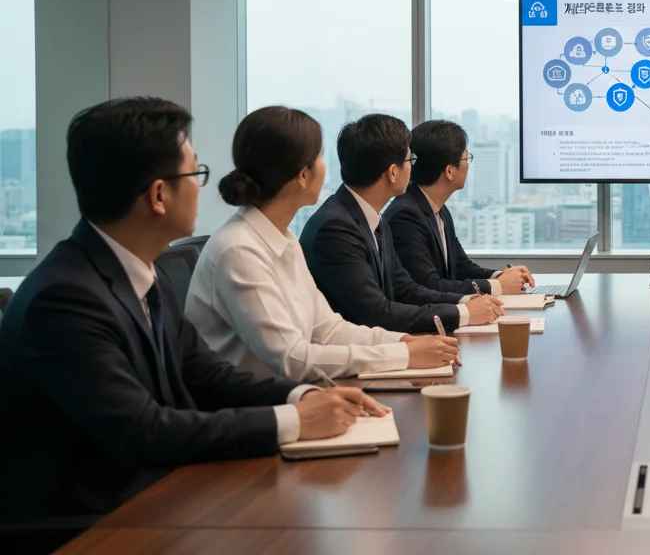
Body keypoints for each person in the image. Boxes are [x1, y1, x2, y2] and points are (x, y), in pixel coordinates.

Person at [0, 98, 384, 545]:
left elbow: (207, 375)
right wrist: (295, 420)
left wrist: (305, 393)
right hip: (96, 527)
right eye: (194, 174)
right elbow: (144, 432)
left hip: (162, 495)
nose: (204, 187)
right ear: (158, 195)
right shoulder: (64, 298)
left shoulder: (144, 273)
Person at [186, 107, 460, 382]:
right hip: (252, 412)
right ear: (302, 175)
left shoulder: (283, 239)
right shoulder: (239, 250)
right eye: (318, 156)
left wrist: (403, 342)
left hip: (288, 397)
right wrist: (403, 355)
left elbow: (328, 330)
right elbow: (291, 358)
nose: (326, 167)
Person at [300, 114, 504, 334]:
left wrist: (467, 302)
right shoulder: (336, 229)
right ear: (393, 172)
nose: (413, 169)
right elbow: (376, 313)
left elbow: (406, 290)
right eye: (410, 161)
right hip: (355, 360)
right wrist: (463, 313)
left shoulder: (371, 218)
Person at [386, 120, 535, 296]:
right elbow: (428, 285)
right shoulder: (405, 216)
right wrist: (497, 286)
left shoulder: (438, 208)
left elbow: (461, 266)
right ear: (449, 171)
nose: (467, 165)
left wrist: (502, 276)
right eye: (466, 158)